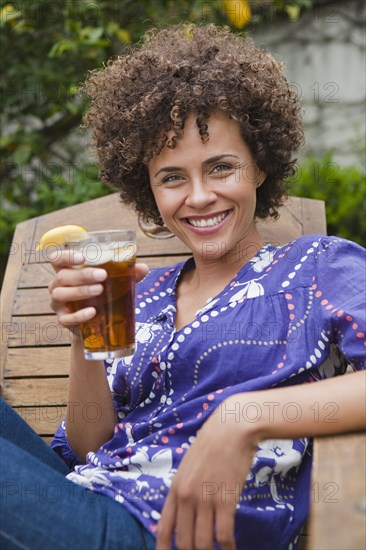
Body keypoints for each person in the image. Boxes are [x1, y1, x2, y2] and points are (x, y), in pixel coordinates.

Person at [1, 23, 365, 550]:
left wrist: (246, 415)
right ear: (148, 188)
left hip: (163, 533)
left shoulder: (316, 268)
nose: (198, 196)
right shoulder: (140, 296)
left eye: (221, 167)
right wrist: (84, 336)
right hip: (89, 503)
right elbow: (89, 447)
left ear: (259, 165)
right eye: (172, 177)